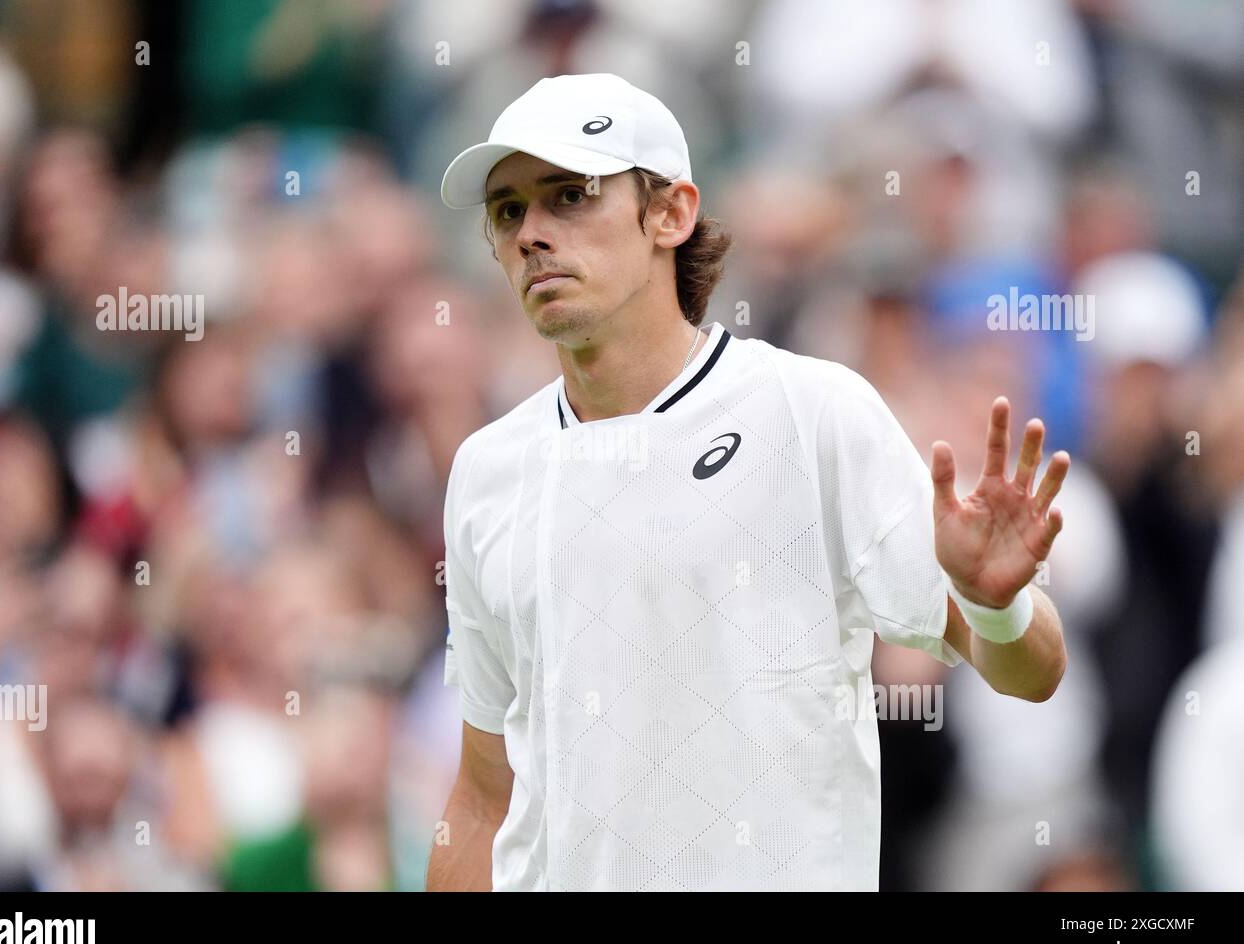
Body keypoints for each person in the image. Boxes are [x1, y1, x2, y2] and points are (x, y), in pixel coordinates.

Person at [426, 73, 1070, 891]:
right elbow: (484, 797)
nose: (531, 234)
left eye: (571, 195)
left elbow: (1032, 670)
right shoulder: (487, 472)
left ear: (671, 213)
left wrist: (993, 601)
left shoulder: (815, 413)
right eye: (509, 210)